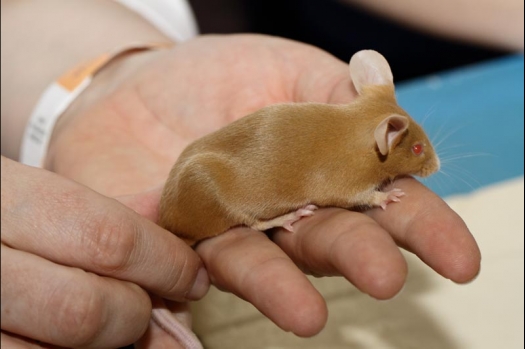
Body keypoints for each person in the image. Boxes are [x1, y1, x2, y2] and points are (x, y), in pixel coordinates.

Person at [1, 1, 482, 348]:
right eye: (417, 150)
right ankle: (247, 221)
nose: (427, 161)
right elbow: (334, 187)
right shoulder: (354, 159)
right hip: (218, 189)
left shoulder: (356, 129)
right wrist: (371, 198)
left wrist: (97, 86)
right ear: (387, 138)